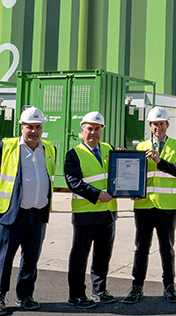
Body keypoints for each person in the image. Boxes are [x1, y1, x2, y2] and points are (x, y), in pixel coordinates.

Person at [0, 106, 56, 316]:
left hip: (38, 213)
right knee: (4, 257)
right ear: (21, 127)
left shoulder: (49, 148)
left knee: (31, 258)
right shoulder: (6, 147)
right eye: (29, 127)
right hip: (12, 214)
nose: (33, 131)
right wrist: (7, 202)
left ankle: (25, 295)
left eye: (37, 127)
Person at [123, 107, 176, 304]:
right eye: (155, 124)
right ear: (149, 126)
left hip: (167, 207)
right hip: (144, 206)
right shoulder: (140, 146)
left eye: (162, 123)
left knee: (166, 248)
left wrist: (160, 161)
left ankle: (169, 286)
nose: (158, 127)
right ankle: (137, 287)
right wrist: (130, 189)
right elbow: (134, 176)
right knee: (141, 248)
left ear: (167, 125)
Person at [64, 111, 117, 309]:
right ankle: (76, 295)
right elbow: (73, 182)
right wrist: (97, 195)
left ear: (101, 130)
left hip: (108, 212)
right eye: (89, 128)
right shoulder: (74, 154)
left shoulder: (108, 149)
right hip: (85, 213)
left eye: (97, 129)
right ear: (82, 130)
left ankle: (99, 290)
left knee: (103, 255)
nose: (93, 132)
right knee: (80, 255)